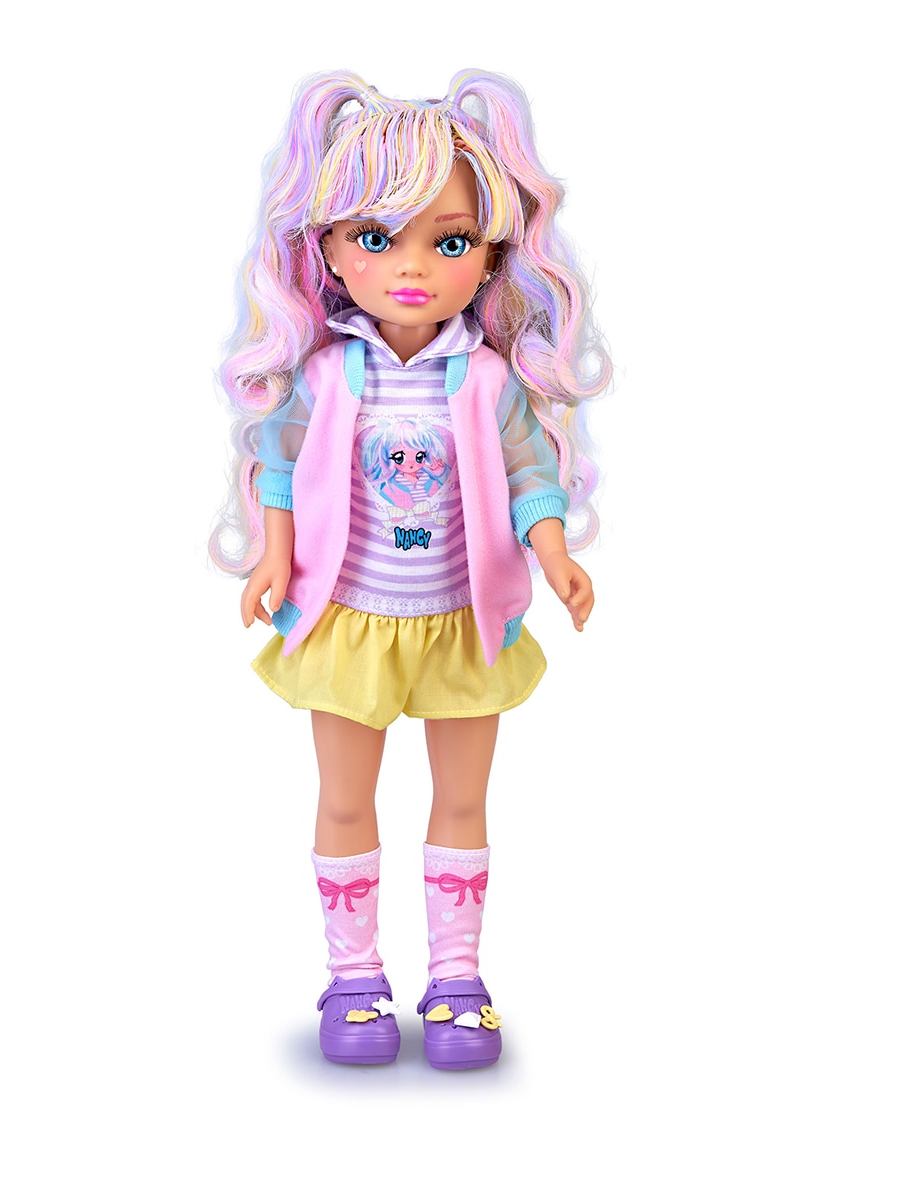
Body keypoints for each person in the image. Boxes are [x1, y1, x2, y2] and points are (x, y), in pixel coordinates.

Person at [211, 69, 611, 1069]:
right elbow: (277, 464)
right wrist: (273, 554)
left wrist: (554, 553)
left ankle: (457, 979)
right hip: (348, 616)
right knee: (346, 798)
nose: (414, 268)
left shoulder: (486, 379)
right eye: (377, 238)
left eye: (452, 242)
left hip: (463, 621)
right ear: (328, 249)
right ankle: (353, 980)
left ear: (493, 253)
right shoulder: (324, 374)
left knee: (463, 801)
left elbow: (530, 473)